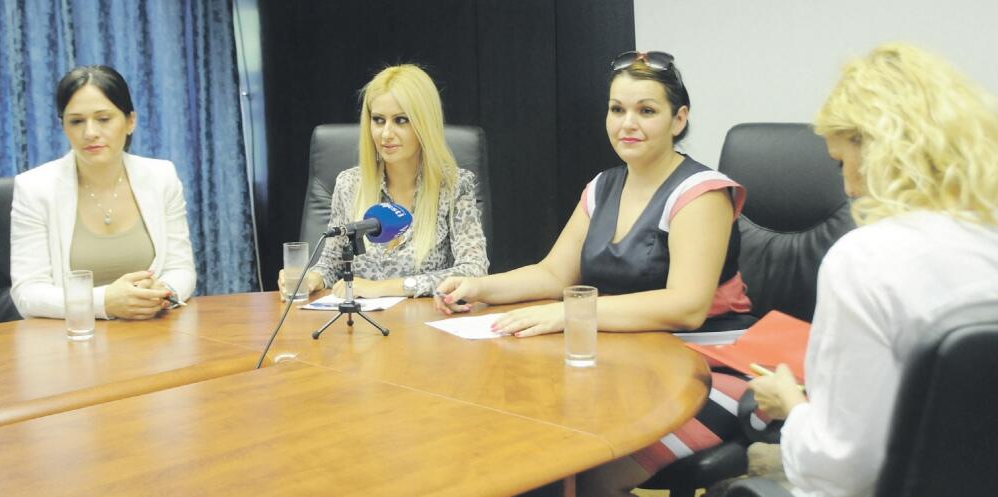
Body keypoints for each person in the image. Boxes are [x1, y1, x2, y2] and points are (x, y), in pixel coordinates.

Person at [435, 51, 755, 496]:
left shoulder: (701, 193)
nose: (628, 124)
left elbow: (686, 306)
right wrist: (479, 287)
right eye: (617, 109)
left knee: (586, 470)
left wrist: (571, 313)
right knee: (535, 447)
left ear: (679, 119)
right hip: (632, 362)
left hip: (710, 371)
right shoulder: (602, 186)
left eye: (647, 111)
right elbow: (553, 274)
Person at [748, 43, 998, 497]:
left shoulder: (864, 259)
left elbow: (843, 471)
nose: (847, 187)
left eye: (842, 162)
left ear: (882, 148)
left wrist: (792, 405)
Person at [278, 64, 488, 299]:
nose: (386, 133)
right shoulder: (349, 184)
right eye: (378, 120)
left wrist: (386, 288)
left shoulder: (454, 186)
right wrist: (312, 278)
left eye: (401, 120)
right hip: (361, 319)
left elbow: (474, 270)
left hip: (425, 319)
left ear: (424, 124)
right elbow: (332, 264)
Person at [10, 65, 196, 320]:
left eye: (104, 119)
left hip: (152, 330)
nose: (90, 133)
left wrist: (161, 293)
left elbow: (181, 267)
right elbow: (27, 294)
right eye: (76, 121)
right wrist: (105, 302)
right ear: (63, 126)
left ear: (130, 121)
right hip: (72, 335)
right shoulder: (34, 188)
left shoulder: (161, 176)